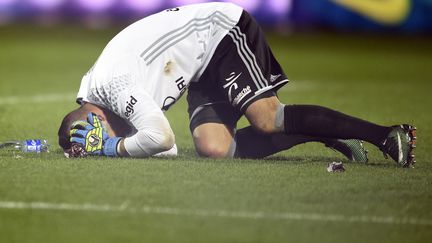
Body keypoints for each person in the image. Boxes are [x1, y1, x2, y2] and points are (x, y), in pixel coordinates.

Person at [58, 2, 416, 166]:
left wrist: (111, 149)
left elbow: (161, 139)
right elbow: (161, 149)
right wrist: (120, 143)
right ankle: (321, 131)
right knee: (215, 148)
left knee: (267, 117)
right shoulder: (98, 96)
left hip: (220, 31)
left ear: (95, 119)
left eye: (97, 133)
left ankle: (386, 135)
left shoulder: (116, 85)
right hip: (199, 63)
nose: (103, 135)